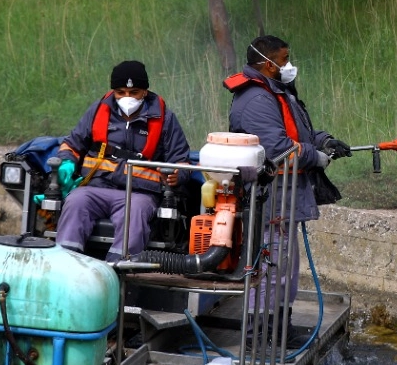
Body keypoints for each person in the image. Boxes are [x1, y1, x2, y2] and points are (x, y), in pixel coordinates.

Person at [224, 36, 350, 302]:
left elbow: (299, 132)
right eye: (284, 59)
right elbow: (279, 150)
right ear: (269, 64)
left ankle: (281, 320)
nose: (289, 65)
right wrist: (315, 158)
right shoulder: (257, 99)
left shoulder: (275, 91)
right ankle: (262, 332)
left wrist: (325, 141)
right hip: (270, 198)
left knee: (285, 266)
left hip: (285, 196)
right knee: (271, 267)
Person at [56, 60, 194, 261]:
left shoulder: (165, 119)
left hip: (139, 193)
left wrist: (178, 175)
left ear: (144, 92)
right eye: (121, 93)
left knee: (135, 213)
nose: (126, 98)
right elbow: (72, 144)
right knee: (75, 201)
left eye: (133, 92)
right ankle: (66, 264)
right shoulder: (98, 111)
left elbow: (181, 160)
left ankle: (119, 272)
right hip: (96, 187)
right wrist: (66, 162)